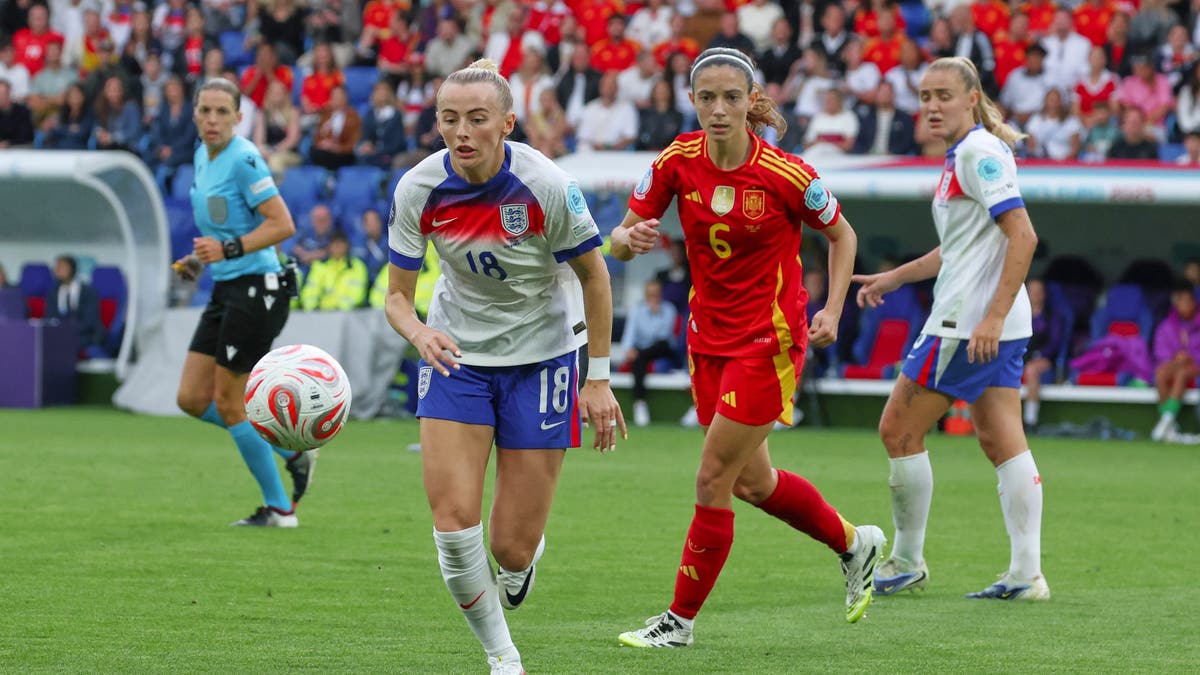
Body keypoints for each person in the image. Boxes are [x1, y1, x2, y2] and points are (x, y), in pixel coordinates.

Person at [610, 47, 885, 649]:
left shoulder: (787, 173)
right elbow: (619, 242)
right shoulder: (676, 161)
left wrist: (833, 308)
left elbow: (843, 235)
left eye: (731, 97)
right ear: (692, 101)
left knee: (712, 477)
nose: (717, 109)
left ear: (750, 101)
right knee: (751, 484)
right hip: (706, 338)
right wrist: (629, 238)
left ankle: (678, 623)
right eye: (706, 97)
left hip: (770, 340)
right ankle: (854, 542)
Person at [383, 58, 624, 675]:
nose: (461, 131)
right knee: (453, 524)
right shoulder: (418, 189)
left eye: (477, 118)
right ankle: (502, 656)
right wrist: (418, 332)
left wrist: (597, 378)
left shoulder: (547, 185)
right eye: (449, 118)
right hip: (457, 357)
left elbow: (596, 278)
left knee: (509, 548)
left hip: (543, 358)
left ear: (507, 123)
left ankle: (522, 560)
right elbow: (396, 298)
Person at [852, 56, 1048, 601]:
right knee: (1001, 438)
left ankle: (907, 559)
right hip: (991, 321)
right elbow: (963, 246)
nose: (932, 106)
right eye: (924, 96)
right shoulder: (973, 152)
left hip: (966, 323)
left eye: (943, 95)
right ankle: (1026, 574)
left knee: (897, 429)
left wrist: (987, 316)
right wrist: (896, 275)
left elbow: (1023, 236)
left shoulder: (978, 152)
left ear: (970, 97)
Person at [171, 78, 311, 529]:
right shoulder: (201, 156)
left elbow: (282, 224)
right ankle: (288, 448)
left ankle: (280, 510)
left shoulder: (245, 160)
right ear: (194, 114)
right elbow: (225, 227)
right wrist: (198, 260)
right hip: (227, 286)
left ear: (237, 117)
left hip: (259, 286)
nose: (212, 120)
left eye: (221, 112)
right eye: (205, 111)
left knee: (232, 403)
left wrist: (227, 252)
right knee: (191, 398)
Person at [621, 279, 679, 427]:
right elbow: (629, 334)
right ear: (646, 295)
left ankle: (639, 402)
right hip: (643, 352)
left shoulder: (669, 310)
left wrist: (656, 314)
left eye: (656, 294)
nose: (653, 297)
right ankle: (639, 403)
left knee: (654, 348)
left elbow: (664, 335)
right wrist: (629, 349)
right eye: (650, 294)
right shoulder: (637, 311)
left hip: (663, 350)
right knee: (639, 358)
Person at [1149, 279, 1200, 443]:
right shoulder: (1167, 325)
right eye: (1180, 301)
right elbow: (1160, 350)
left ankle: (1166, 421)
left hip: (1195, 364)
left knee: (1182, 373)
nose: (1184, 305)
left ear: (1194, 302)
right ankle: (1169, 427)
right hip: (1175, 363)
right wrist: (1175, 358)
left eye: (1187, 301)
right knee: (1161, 372)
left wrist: (1190, 356)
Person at [1021, 279, 1066, 430]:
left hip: (1043, 359)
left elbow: (1054, 344)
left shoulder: (1051, 317)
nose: (1035, 295)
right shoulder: (1018, 315)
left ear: (1044, 294)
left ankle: (1030, 420)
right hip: (1019, 356)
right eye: (1031, 291)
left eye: (1038, 291)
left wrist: (1036, 355)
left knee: (1031, 370)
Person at [47, 254, 104, 358]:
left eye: (61, 267)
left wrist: (69, 331)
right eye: (56, 267)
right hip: (60, 333)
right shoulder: (53, 292)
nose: (57, 270)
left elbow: (90, 320)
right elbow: (50, 317)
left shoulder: (88, 291)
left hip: (83, 334)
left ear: (72, 269)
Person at [299, 231, 369, 310]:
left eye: (340, 243)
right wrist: (313, 308)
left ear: (347, 245)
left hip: (348, 316)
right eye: (334, 243)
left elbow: (357, 295)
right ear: (329, 246)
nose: (337, 246)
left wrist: (337, 309)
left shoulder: (357, 266)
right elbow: (309, 292)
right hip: (320, 315)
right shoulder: (320, 266)